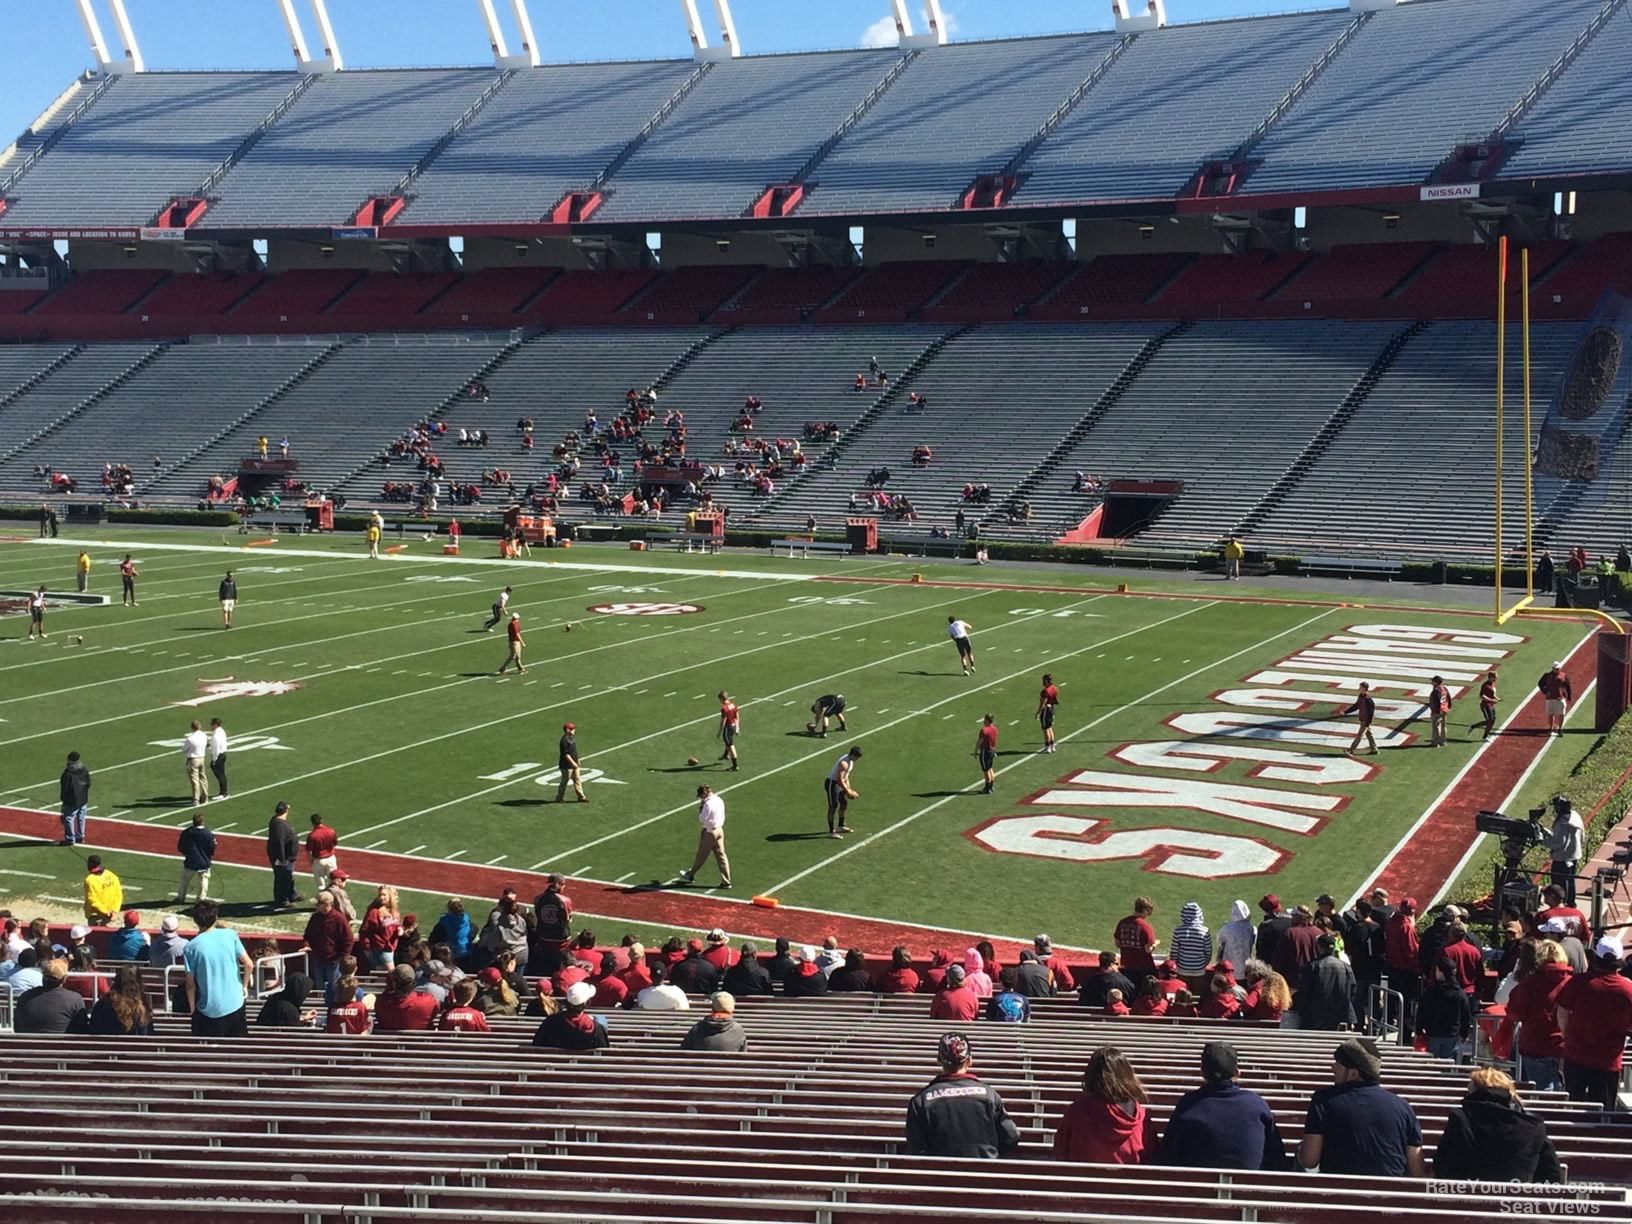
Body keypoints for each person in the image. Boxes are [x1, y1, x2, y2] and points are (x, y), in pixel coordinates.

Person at [1297, 1038, 1425, 1177]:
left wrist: (1300, 1150)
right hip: (1390, 1195)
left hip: (1338, 1194)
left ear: (1354, 1074)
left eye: (1338, 1063)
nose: (1333, 1067)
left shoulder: (1323, 1100)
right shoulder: (1403, 1107)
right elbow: (1417, 1171)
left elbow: (1309, 1161)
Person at [1161, 1042, 1289, 1170]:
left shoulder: (1188, 1104)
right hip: (1248, 1187)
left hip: (1196, 1188)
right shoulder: (1257, 1104)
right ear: (1237, 1073)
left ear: (1202, 1072)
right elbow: (1277, 1160)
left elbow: (1167, 1156)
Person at [1434, 1068, 1562, 1184]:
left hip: (1469, 1202)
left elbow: (1443, 1166)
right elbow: (1552, 1174)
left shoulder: (1461, 1118)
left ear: (1473, 1091)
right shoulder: (1532, 1125)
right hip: (1518, 1204)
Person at [905, 1032, 1020, 1159]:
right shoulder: (990, 1095)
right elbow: (1010, 1137)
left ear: (939, 1060)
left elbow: (916, 1148)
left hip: (940, 1175)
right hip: (984, 1174)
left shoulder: (921, 1100)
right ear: (970, 1060)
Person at [1557, 933, 1632, 1108]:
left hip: (1576, 1056)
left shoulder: (1578, 983)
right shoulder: (1628, 989)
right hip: (1608, 1061)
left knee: (1574, 1107)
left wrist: (1568, 1038)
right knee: (1603, 1114)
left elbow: (1562, 1013)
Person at [1054, 1047, 1158, 1165]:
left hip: (1083, 1182)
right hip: (1128, 1183)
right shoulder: (1141, 1119)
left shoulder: (1077, 1112)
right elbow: (1151, 1159)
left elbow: (1061, 1152)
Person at [1504, 939, 1571, 1091]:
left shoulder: (1529, 983)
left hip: (1535, 1044)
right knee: (1562, 1089)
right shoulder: (1571, 983)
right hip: (1565, 1045)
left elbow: (1515, 1012)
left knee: (1542, 1090)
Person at [183, 899, 253, 1037]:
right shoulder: (230, 935)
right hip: (235, 1005)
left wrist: (192, 1009)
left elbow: (190, 985)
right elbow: (249, 964)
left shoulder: (191, 948)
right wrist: (244, 986)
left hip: (209, 1010)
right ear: (215, 918)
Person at [1416, 956, 1474, 1059]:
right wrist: (1464, 1034)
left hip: (1432, 1034)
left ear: (1439, 971)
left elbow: (1421, 1013)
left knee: (1430, 1064)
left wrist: (1419, 1031)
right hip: (1451, 1035)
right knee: (1448, 1065)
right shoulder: (1459, 994)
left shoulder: (1430, 992)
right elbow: (1466, 1017)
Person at [15, 959, 90, 1034]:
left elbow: (17, 1026)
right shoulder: (75, 999)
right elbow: (82, 1029)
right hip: (63, 1044)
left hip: (29, 1044)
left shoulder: (25, 997)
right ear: (64, 979)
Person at [679, 783, 731, 889]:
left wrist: (701, 807)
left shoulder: (708, 804)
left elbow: (702, 819)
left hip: (710, 832)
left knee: (701, 855)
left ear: (704, 793)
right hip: (719, 830)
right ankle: (726, 880)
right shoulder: (719, 799)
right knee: (721, 856)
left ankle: (690, 874)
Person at [302, 890, 352, 991]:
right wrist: (306, 945)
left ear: (327, 905)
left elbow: (349, 939)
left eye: (318, 904)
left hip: (334, 961)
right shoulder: (315, 918)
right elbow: (308, 935)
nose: (316, 906)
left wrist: (342, 957)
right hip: (318, 959)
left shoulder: (339, 919)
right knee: (319, 987)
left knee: (333, 988)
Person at [89, 964, 152, 1036]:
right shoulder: (143, 1008)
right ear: (139, 983)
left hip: (106, 1046)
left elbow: (93, 1030)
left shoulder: (103, 1004)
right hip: (137, 1047)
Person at [1546, 796, 1584, 907]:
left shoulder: (1561, 823)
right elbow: (1582, 835)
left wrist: (1542, 841)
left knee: (1560, 882)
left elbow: (1557, 843)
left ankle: (1561, 904)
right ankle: (1571, 903)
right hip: (1574, 854)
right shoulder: (1575, 815)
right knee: (1570, 881)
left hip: (1562, 857)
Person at [375, 964, 438, 1032]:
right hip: (420, 1041)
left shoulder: (382, 1002)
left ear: (393, 982)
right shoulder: (428, 1000)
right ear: (413, 982)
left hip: (388, 1041)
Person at [681, 990, 748, 1051]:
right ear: (732, 1009)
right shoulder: (738, 1030)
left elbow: (683, 1052)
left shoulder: (697, 1028)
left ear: (712, 1008)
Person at [175, 811, 216, 903]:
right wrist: (207, 855)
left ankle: (180, 897)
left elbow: (181, 846)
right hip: (204, 861)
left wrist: (188, 854)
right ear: (202, 821)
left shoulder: (187, 832)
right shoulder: (208, 834)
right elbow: (212, 848)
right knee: (203, 881)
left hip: (190, 861)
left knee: (184, 880)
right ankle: (201, 899)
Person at [1114, 898, 1158, 983]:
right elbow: (1148, 950)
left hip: (1126, 965)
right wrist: (1154, 945)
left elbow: (1117, 943)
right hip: (1143, 968)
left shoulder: (1122, 922)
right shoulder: (1146, 927)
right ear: (1145, 910)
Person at [266, 801, 300, 910]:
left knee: (289, 877)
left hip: (287, 856)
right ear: (286, 810)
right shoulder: (279, 824)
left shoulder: (278, 821)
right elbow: (279, 842)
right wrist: (282, 858)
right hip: (284, 858)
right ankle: (282, 900)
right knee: (282, 878)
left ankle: (292, 894)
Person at [824, 745, 862, 838]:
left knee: (844, 803)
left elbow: (846, 776)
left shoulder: (850, 762)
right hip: (832, 783)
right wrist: (848, 791)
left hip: (839, 784)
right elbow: (839, 779)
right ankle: (831, 831)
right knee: (833, 806)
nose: (857, 759)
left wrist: (849, 789)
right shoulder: (844, 763)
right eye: (856, 757)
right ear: (852, 755)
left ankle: (841, 825)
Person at [1171, 902, 1212, 988]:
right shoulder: (1205, 931)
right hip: (1199, 970)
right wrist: (1201, 965)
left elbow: (1174, 953)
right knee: (1197, 994)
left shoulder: (1178, 931)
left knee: (1183, 995)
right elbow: (1208, 953)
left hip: (1182, 969)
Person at [59, 750, 91, 846]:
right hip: (83, 797)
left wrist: (64, 798)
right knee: (81, 818)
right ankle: (80, 836)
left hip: (72, 799)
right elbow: (88, 783)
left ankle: (70, 839)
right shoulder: (83, 769)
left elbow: (65, 787)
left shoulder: (68, 773)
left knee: (69, 818)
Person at [81, 854, 121, 925]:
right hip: (111, 915)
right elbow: (118, 894)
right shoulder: (111, 875)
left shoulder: (90, 880)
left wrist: (106, 911)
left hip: (96, 916)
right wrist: (114, 911)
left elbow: (92, 900)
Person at [429, 898, 471, 965]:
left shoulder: (444, 922)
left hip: (450, 955)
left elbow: (434, 937)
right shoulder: (466, 920)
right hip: (466, 952)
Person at [306, 813, 339, 895]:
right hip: (331, 858)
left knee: (320, 884)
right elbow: (335, 843)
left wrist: (311, 861)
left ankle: (324, 900)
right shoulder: (331, 831)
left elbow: (309, 850)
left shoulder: (312, 835)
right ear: (322, 820)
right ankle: (335, 898)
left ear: (312, 823)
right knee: (334, 880)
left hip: (319, 860)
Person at [1341, 682, 1378, 755]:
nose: (1359, 689)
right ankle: (1374, 749)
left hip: (1365, 721)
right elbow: (1356, 706)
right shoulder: (1361, 696)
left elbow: (1371, 713)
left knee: (1359, 735)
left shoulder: (1368, 700)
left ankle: (1351, 750)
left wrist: (1367, 723)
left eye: (1360, 687)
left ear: (1364, 688)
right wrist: (1346, 712)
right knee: (1369, 734)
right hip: (1362, 719)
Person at [1538, 661, 1573, 738]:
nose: (1557, 670)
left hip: (1560, 698)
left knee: (1562, 714)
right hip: (1550, 698)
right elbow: (1540, 683)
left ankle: (1560, 729)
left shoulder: (1563, 676)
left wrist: (1569, 696)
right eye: (1556, 669)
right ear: (1553, 668)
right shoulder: (1547, 676)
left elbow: (1568, 685)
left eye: (1558, 668)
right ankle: (1551, 729)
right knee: (1551, 714)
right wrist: (1545, 691)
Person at [556, 722, 588, 803]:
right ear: (568, 730)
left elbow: (573, 751)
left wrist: (577, 760)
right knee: (564, 782)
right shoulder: (564, 741)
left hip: (574, 765)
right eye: (572, 729)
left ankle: (581, 796)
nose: (574, 730)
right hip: (566, 766)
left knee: (577, 780)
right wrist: (573, 763)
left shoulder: (571, 739)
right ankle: (559, 797)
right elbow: (566, 754)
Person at [183, 720, 209, 807]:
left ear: (192, 728)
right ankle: (205, 797)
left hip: (193, 759)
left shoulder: (190, 739)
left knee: (195, 780)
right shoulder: (204, 735)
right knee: (203, 778)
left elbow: (184, 749)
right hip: (202, 758)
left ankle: (196, 799)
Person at [1469, 670, 1500, 739]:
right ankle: (1485, 736)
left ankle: (1474, 727)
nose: (1496, 679)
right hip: (1486, 706)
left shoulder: (1492, 684)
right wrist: (1492, 700)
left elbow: (1492, 694)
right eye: (1495, 677)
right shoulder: (1485, 686)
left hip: (1491, 705)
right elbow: (1482, 696)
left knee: (1492, 721)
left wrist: (1497, 698)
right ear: (1491, 677)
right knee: (1489, 721)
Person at [716, 689, 741, 771]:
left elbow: (723, 721)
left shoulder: (724, 708)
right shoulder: (733, 705)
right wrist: (737, 728)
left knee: (731, 745)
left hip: (728, 728)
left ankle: (735, 765)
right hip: (733, 726)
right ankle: (725, 755)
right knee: (728, 742)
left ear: (722, 699)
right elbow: (737, 717)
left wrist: (719, 732)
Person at [1035, 673, 1059, 754]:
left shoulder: (1045, 691)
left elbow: (1043, 703)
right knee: (1050, 727)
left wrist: (1038, 713)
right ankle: (1052, 745)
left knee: (1045, 729)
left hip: (1046, 710)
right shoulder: (1054, 688)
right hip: (1052, 708)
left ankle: (1047, 746)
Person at [1426, 675, 1452, 747]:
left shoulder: (1436, 691)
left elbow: (1437, 701)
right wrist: (1448, 707)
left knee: (1436, 727)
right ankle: (1443, 741)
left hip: (1438, 711)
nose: (1431, 682)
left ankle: (1436, 742)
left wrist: (1436, 710)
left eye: (1433, 681)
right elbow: (1448, 698)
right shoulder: (1444, 688)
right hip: (1444, 710)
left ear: (1436, 682)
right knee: (1443, 726)